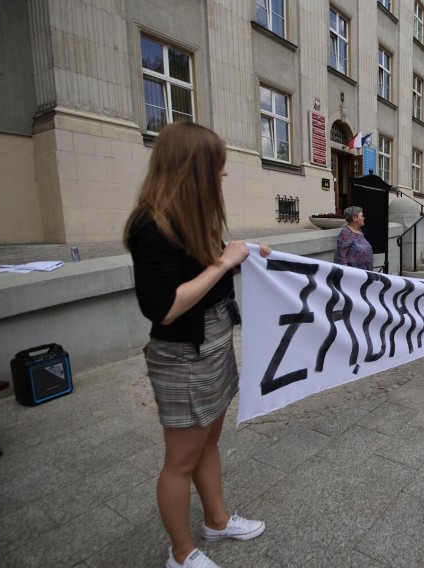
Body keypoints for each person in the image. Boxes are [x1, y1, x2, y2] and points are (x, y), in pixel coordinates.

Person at [123, 121, 270, 568]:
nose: (223, 174)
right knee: (180, 460)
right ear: (194, 168)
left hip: (215, 345)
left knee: (209, 441)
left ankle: (217, 521)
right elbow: (165, 307)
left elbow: (204, 270)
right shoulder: (151, 226)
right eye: (218, 166)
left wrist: (246, 259)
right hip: (184, 357)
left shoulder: (192, 216)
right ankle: (181, 553)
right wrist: (225, 262)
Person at [334, 205, 374, 270]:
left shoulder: (359, 231)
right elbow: (341, 256)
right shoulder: (346, 232)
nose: (364, 218)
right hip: (354, 275)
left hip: (365, 273)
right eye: (362, 216)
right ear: (354, 218)